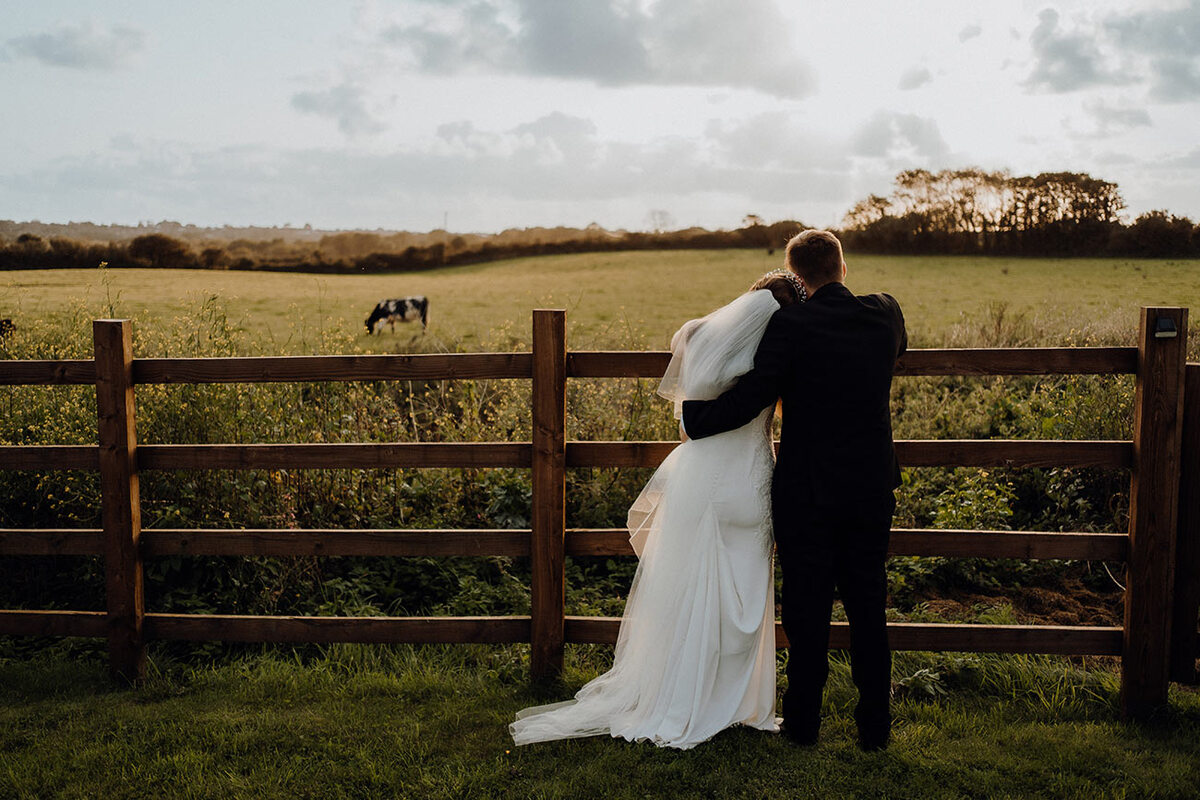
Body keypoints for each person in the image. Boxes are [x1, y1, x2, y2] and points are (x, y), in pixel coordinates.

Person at [509, 271, 804, 750]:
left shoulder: (699, 336)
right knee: (744, 593)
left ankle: (686, 693)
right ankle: (734, 703)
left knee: (688, 591)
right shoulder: (777, 355)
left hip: (700, 475)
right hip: (748, 478)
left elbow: (689, 418)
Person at [682, 230, 907, 751]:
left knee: (807, 611)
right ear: (843, 268)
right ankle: (875, 728)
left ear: (796, 276)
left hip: (807, 493)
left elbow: (752, 397)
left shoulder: (790, 326)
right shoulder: (886, 313)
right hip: (871, 487)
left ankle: (804, 725)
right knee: (869, 607)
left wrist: (697, 420)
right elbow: (899, 351)